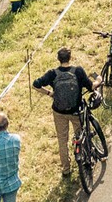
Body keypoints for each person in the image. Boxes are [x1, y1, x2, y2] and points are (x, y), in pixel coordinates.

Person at [31, 48, 95, 181]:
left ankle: (66, 169)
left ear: (58, 59)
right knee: (81, 135)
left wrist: (50, 93)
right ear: (70, 57)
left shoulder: (52, 74)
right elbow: (91, 87)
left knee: (62, 140)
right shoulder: (78, 71)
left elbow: (35, 85)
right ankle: (85, 159)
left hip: (59, 112)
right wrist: (98, 79)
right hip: (76, 111)